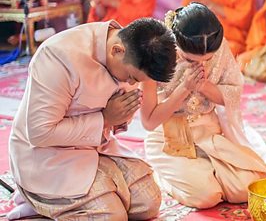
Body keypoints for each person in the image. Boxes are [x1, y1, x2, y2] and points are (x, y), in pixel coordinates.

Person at [8, 18, 177, 220]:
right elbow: (39, 133)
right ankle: (36, 201)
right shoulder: (59, 56)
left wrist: (120, 116)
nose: (131, 83)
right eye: (131, 77)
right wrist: (105, 119)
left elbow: (115, 118)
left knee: (148, 203)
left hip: (95, 148)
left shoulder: (132, 52)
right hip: (46, 155)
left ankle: (60, 206)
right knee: (111, 217)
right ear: (117, 50)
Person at [141, 3, 266, 209]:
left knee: (247, 188)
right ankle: (164, 176)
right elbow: (149, 121)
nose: (200, 64)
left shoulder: (216, 46)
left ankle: (204, 172)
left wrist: (204, 85)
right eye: (190, 59)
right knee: (206, 196)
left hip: (209, 132)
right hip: (169, 137)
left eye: (208, 59)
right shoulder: (154, 54)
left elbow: (231, 95)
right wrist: (185, 88)